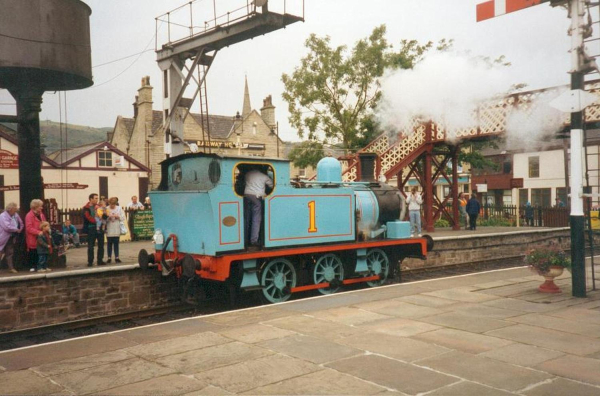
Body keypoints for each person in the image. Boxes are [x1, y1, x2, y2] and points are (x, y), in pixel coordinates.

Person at [244, 167, 273, 249]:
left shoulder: (248, 174)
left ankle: (245, 238)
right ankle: (254, 240)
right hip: (256, 196)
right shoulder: (264, 176)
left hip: (247, 195)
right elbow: (271, 186)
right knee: (256, 218)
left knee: (247, 218)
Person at [0, 202, 24, 273]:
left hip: (11, 236)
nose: (16, 211)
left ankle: (11, 268)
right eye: (14, 209)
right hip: (2, 237)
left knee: (10, 252)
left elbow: (20, 222)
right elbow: (6, 227)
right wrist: (16, 229)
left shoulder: (15, 215)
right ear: (10, 209)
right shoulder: (2, 216)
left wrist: (20, 228)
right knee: (0, 251)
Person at [84, 193, 105, 267]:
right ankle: (90, 261)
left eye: (97, 198)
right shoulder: (86, 208)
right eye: (95, 198)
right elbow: (87, 217)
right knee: (90, 246)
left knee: (101, 245)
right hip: (91, 228)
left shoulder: (99, 207)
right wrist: (96, 221)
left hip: (99, 228)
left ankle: (100, 260)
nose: (97, 200)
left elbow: (103, 215)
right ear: (91, 199)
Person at [25, 199, 47, 272]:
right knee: (33, 250)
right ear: (35, 207)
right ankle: (33, 266)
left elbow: (44, 223)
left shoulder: (41, 214)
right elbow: (28, 228)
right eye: (40, 206)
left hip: (41, 236)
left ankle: (41, 266)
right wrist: (38, 232)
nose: (42, 208)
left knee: (40, 251)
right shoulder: (29, 215)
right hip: (33, 236)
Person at [105, 197, 125, 264]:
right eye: (111, 204)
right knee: (109, 243)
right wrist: (108, 217)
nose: (112, 206)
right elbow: (103, 218)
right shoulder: (106, 208)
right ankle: (109, 257)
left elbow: (123, 217)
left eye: (113, 204)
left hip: (116, 227)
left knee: (116, 243)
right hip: (109, 227)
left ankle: (117, 257)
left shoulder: (119, 208)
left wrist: (118, 216)